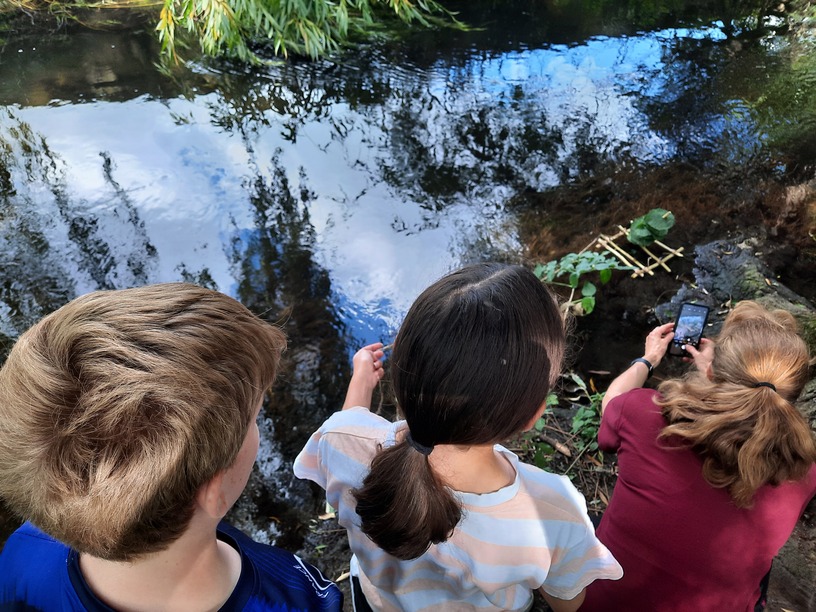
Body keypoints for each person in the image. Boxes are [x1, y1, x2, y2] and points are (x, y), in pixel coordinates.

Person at [294, 263, 623, 612]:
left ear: (402, 373)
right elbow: (566, 603)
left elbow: (348, 426)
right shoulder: (552, 510)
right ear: (532, 415)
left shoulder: (338, 441)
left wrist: (360, 380)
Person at [0, 284, 343, 611]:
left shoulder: (26, 549)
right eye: (255, 416)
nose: (257, 424)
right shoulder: (292, 598)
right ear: (214, 489)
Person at [581, 301, 816, 611]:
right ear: (794, 394)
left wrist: (649, 358)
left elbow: (612, 401)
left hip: (601, 601)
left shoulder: (643, 414)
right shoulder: (804, 472)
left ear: (711, 370)